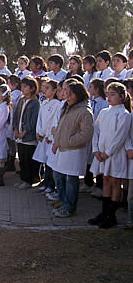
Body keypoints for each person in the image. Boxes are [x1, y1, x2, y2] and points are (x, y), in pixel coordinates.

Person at [88, 82, 132, 228]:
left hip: (115, 155)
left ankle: (112, 215)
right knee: (105, 179)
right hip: (101, 153)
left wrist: (107, 153)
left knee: (115, 181)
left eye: (113, 94)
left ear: (122, 96)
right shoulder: (104, 112)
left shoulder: (124, 115)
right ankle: (104, 212)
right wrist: (96, 149)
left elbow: (120, 137)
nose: (109, 97)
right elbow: (96, 131)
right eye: (108, 94)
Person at [51, 80, 94, 218]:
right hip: (62, 149)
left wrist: (68, 142)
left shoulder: (84, 111)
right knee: (58, 175)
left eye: (70, 93)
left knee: (71, 179)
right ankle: (63, 202)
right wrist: (57, 141)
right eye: (65, 92)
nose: (66, 95)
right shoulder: (67, 106)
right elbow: (61, 126)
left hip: (74, 151)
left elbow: (86, 133)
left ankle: (69, 207)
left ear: (78, 94)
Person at [13, 76, 40, 190]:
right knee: (22, 159)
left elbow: (33, 121)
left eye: (25, 87)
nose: (22, 89)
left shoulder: (35, 103)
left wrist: (23, 132)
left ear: (32, 89)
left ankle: (28, 181)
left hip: (28, 137)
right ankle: (23, 179)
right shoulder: (21, 100)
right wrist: (15, 129)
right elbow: (16, 115)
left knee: (28, 159)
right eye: (22, 86)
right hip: (19, 136)